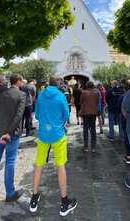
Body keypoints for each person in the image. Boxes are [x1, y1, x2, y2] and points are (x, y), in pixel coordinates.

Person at [30, 76, 77, 216]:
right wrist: (57, 122)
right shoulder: (61, 96)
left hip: (44, 134)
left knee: (39, 165)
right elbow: (66, 115)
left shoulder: (41, 95)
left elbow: (37, 115)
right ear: (59, 84)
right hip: (58, 135)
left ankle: (34, 198)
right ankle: (64, 202)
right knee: (60, 165)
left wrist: (46, 121)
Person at [0, 74, 26, 202]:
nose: (22, 83)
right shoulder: (21, 95)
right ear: (18, 82)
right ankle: (10, 193)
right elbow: (18, 116)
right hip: (10, 135)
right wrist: (8, 132)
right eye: (21, 81)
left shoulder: (1, 94)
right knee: (10, 162)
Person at [79, 81, 99, 153]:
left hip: (86, 112)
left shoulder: (84, 92)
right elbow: (97, 102)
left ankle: (86, 146)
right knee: (93, 129)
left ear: (87, 86)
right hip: (93, 112)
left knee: (85, 129)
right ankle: (93, 147)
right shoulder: (96, 93)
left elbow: (81, 102)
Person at [118, 83, 130, 165]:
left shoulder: (123, 96)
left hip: (126, 118)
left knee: (127, 137)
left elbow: (119, 106)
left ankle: (128, 155)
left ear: (124, 89)